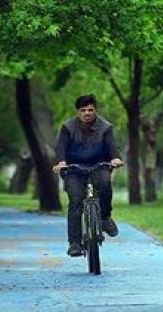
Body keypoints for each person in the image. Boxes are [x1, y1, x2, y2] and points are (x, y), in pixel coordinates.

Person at [51, 94, 124, 257]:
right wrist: (61, 162)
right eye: (83, 110)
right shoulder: (67, 127)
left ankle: (105, 217)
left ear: (95, 111)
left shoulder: (105, 127)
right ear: (78, 112)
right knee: (76, 200)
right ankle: (75, 243)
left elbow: (112, 147)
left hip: (99, 165)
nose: (87, 113)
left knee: (105, 184)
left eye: (90, 110)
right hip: (73, 169)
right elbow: (60, 148)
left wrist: (116, 158)